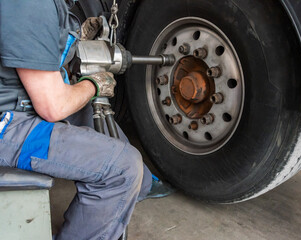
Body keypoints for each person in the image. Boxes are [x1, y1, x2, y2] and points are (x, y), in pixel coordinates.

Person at [0, 0, 173, 239]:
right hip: (8, 124)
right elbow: (54, 106)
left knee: (86, 113)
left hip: (18, 101)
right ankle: (125, 182)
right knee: (122, 168)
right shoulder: (31, 5)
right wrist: (94, 84)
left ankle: (141, 184)